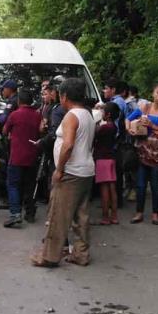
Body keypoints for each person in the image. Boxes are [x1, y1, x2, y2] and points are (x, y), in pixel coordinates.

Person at [31, 78, 96, 267]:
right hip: (86, 170)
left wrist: (59, 170)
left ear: (64, 95)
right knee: (81, 215)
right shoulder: (87, 115)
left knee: (58, 215)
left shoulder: (71, 116)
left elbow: (67, 145)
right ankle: (81, 253)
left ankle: (49, 256)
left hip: (71, 171)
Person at [126, 84, 158, 225]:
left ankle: (156, 214)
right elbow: (128, 119)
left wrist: (151, 126)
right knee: (141, 185)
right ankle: (139, 212)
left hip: (157, 154)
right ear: (152, 94)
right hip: (142, 151)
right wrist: (129, 128)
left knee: (155, 185)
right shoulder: (144, 108)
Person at [3, 88, 42, 228]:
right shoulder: (38, 116)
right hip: (32, 156)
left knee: (13, 184)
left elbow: (4, 130)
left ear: (19, 101)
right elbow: (41, 131)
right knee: (30, 185)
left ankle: (15, 214)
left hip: (17, 156)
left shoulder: (14, 115)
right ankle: (30, 213)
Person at [94, 102, 120, 225]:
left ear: (108, 115)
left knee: (104, 189)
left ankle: (105, 216)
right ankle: (114, 216)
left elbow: (95, 134)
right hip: (111, 158)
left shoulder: (105, 128)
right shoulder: (114, 127)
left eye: (103, 112)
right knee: (112, 188)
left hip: (102, 159)